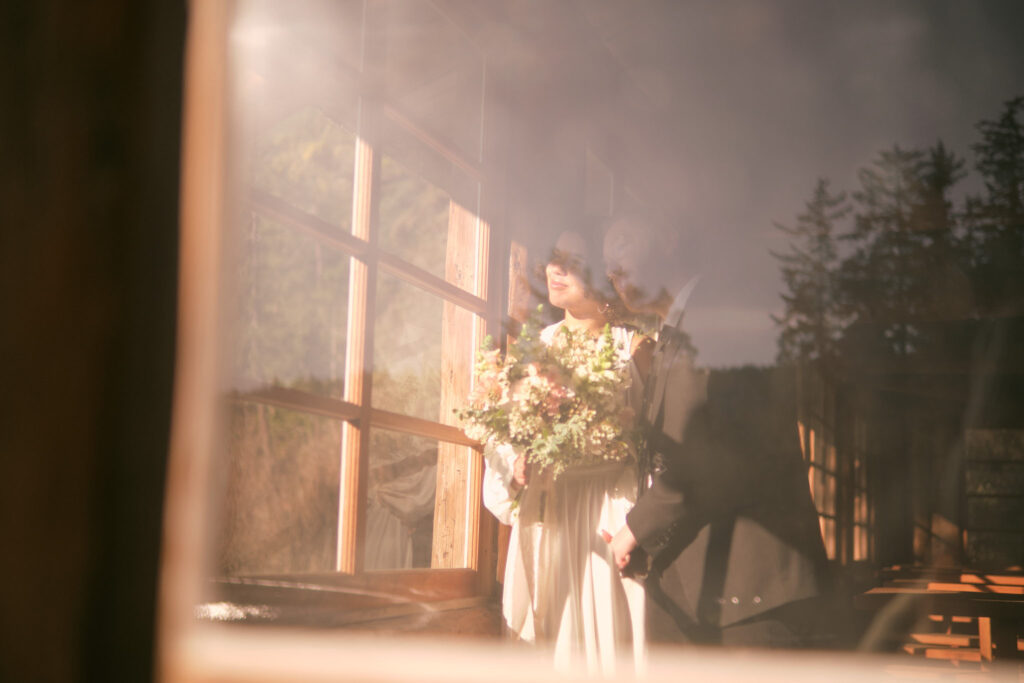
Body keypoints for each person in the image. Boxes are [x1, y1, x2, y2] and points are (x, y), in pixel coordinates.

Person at [602, 213, 830, 648]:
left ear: (668, 239)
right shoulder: (671, 333)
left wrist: (637, 529)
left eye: (625, 246)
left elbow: (710, 449)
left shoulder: (723, 313)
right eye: (609, 265)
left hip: (750, 592)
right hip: (690, 590)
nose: (614, 271)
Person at [482, 229, 652, 674]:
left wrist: (640, 520)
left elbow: (658, 440)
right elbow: (503, 436)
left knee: (609, 645)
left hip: (609, 514)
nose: (554, 270)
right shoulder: (534, 349)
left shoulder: (634, 347)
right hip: (547, 512)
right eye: (552, 258)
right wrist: (514, 469)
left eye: (570, 261)